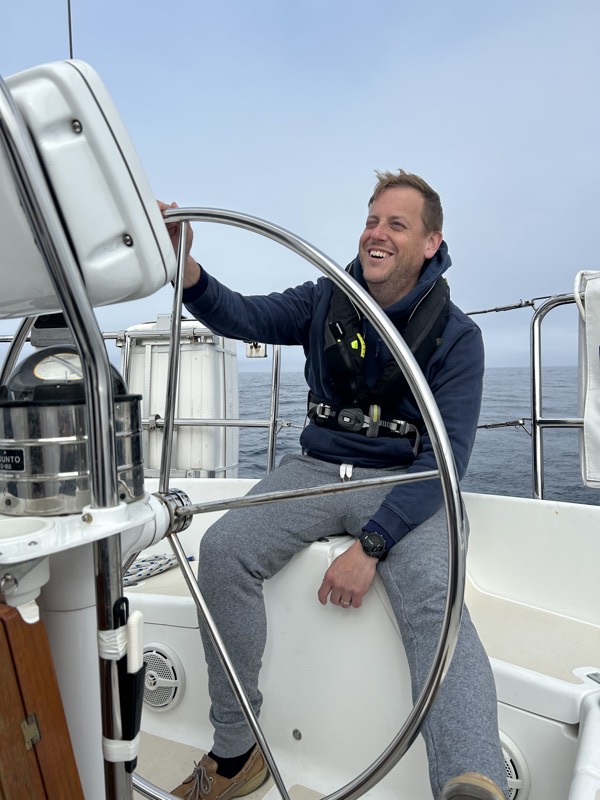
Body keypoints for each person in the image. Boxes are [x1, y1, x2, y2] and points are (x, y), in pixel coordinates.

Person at [160, 170, 508, 800]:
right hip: (314, 471)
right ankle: (238, 755)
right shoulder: (325, 297)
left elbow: (445, 462)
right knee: (222, 550)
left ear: (431, 242)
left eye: (396, 224)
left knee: (438, 597)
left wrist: (372, 544)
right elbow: (243, 314)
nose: (377, 234)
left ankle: (471, 776)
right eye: (372, 220)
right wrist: (188, 271)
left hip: (406, 481)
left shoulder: (459, 338)